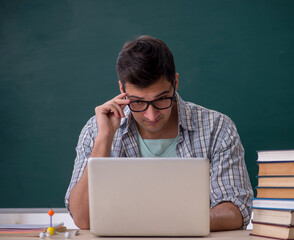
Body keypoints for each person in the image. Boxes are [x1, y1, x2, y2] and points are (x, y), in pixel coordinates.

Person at [65, 35, 253, 231]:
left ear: (176, 83)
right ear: (122, 89)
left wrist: (175, 221)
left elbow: (238, 211)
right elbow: (83, 219)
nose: (151, 115)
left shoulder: (217, 128)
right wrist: (104, 139)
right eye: (138, 102)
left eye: (162, 99)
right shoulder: (95, 130)